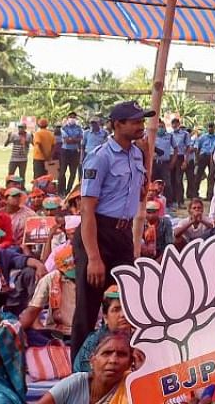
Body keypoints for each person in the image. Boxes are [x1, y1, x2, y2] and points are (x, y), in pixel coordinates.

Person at [72, 101, 151, 359]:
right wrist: (94, 257)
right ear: (118, 125)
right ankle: (80, 368)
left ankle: (120, 356)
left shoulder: (137, 154)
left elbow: (139, 192)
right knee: (89, 306)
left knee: (128, 299)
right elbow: (87, 211)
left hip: (123, 234)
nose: (142, 126)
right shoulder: (100, 156)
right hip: (98, 232)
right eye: (136, 122)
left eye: (142, 121)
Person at [42, 329, 133, 404]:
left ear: (130, 363)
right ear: (92, 360)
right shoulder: (76, 383)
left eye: (122, 354)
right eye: (106, 353)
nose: (113, 360)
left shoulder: (130, 388)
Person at [73, 286, 127, 373]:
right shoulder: (94, 341)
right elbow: (85, 373)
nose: (123, 314)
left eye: (126, 309)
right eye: (116, 310)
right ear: (105, 317)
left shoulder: (139, 340)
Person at [59, 112, 84, 196]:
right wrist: (74, 139)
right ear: (67, 118)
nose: (72, 119)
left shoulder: (79, 128)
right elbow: (66, 140)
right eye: (70, 117)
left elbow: (80, 138)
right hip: (65, 151)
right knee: (62, 172)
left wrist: (72, 139)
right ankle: (61, 190)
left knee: (73, 173)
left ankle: (68, 190)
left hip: (75, 152)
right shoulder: (64, 128)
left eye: (74, 117)